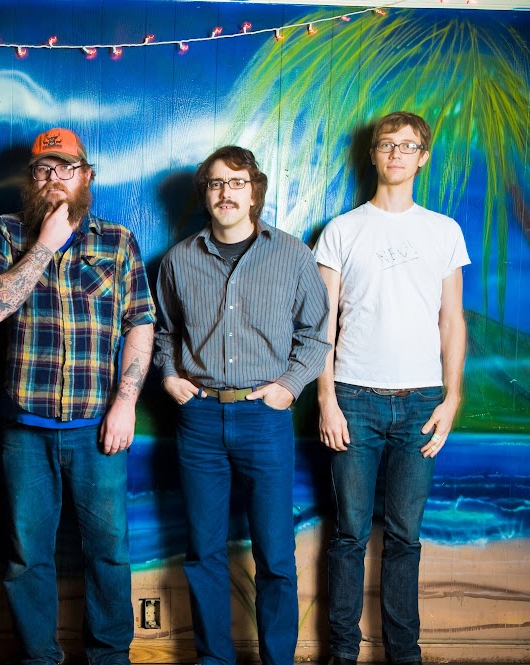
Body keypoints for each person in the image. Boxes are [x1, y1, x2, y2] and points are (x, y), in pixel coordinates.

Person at [0, 128, 156, 665]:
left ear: (86, 176)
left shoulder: (117, 241)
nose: (54, 178)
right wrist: (44, 246)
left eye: (66, 168)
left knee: (109, 552)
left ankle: (109, 656)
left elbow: (140, 323)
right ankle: (39, 657)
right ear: (31, 178)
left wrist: (126, 403)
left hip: (98, 428)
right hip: (24, 429)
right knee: (28, 555)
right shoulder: (5, 232)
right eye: (43, 169)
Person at [154, 145, 329, 665]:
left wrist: (289, 386)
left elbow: (317, 335)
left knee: (275, 553)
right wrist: (168, 375)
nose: (225, 192)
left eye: (236, 182)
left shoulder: (292, 255)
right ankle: (215, 659)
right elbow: (163, 332)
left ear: (255, 192)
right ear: (205, 194)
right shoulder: (179, 260)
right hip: (199, 420)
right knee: (203, 551)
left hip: (264, 418)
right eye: (215, 183)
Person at [314, 111, 469, 665]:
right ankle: (342, 653)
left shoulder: (444, 231)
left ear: (422, 158)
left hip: (422, 402)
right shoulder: (342, 229)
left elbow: (452, 320)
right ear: (373, 154)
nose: (397, 153)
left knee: (405, 537)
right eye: (387, 144)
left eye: (408, 146)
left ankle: (405, 655)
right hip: (354, 398)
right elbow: (322, 324)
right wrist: (327, 400)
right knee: (349, 534)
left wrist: (451, 399)